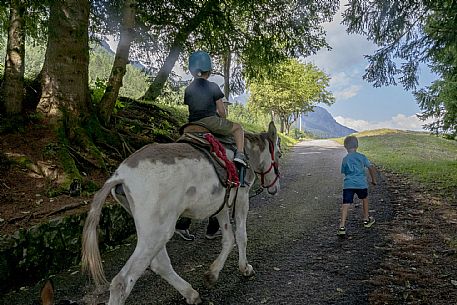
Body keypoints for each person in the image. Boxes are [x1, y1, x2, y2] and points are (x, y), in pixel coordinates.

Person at [184, 50, 247, 166]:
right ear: (209, 71)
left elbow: (192, 107)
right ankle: (240, 155)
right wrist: (222, 117)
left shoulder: (188, 89)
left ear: (192, 71)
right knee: (238, 128)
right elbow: (222, 112)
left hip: (191, 123)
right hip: (210, 122)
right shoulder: (213, 87)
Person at [337, 135, 377, 236]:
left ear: (345, 147)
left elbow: (344, 172)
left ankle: (342, 226)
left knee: (346, 204)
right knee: (365, 199)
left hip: (348, 185)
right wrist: (373, 180)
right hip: (361, 184)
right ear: (357, 146)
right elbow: (370, 167)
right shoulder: (362, 157)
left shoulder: (345, 159)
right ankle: (366, 219)